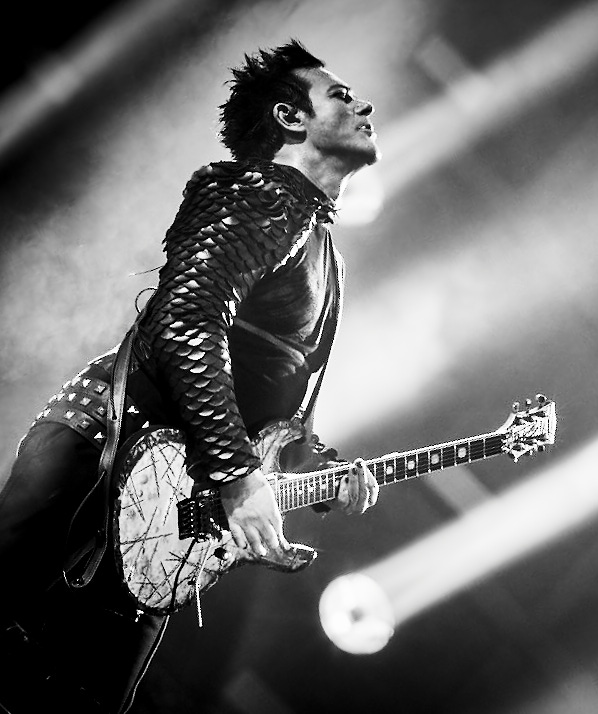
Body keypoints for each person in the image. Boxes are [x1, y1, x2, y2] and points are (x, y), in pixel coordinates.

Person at [0, 39, 381, 713]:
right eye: (341, 96)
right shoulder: (260, 195)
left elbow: (277, 415)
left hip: (167, 514)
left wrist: (321, 470)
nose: (365, 106)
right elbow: (186, 322)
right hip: (105, 455)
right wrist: (237, 474)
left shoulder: (324, 251)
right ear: (291, 118)